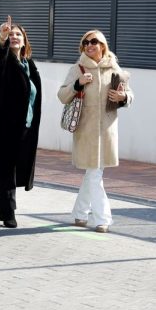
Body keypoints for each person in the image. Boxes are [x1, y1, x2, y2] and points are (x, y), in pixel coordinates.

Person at [57, 30, 133, 233]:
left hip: (107, 132)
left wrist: (123, 98)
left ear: (102, 45)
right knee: (94, 174)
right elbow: (62, 95)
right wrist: (77, 84)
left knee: (93, 174)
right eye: (86, 42)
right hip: (86, 132)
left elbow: (129, 94)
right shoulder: (77, 68)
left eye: (94, 42)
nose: (89, 45)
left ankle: (80, 214)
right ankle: (103, 219)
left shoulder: (113, 68)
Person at [0, 15, 42, 228]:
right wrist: (1, 38)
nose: (14, 37)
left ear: (25, 40)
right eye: (11, 34)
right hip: (3, 125)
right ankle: (9, 211)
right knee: (7, 167)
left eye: (18, 34)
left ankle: (1, 199)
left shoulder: (29, 64)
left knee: (17, 167)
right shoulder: (3, 60)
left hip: (25, 125)